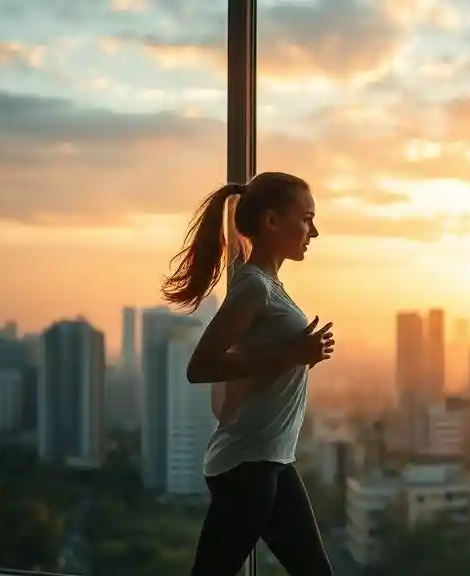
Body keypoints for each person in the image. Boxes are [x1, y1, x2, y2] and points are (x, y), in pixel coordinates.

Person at [161, 172, 335, 576]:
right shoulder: (254, 286)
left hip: (271, 459)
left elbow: (258, 362)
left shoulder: (269, 285)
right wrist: (291, 352)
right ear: (271, 222)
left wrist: (296, 357)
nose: (315, 231)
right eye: (306, 218)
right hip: (247, 465)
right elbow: (200, 366)